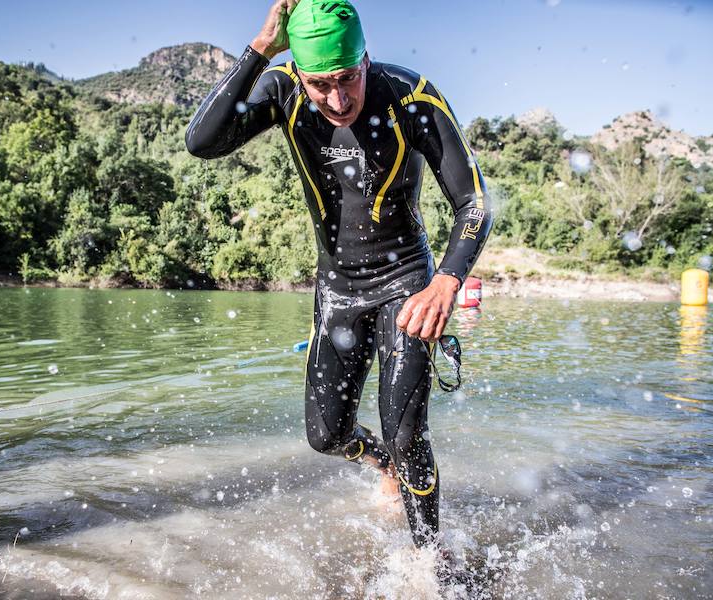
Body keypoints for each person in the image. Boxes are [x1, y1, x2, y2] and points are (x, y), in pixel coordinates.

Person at [186, 0, 491, 560]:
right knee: (326, 436)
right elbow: (203, 142)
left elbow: (473, 200)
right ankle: (385, 469)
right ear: (300, 74)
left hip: (407, 284)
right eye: (321, 84)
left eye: (348, 78)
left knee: (407, 435)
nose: (338, 99)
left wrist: (447, 280)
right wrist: (260, 49)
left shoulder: (409, 95)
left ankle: (432, 560)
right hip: (338, 288)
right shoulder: (282, 87)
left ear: (365, 59)